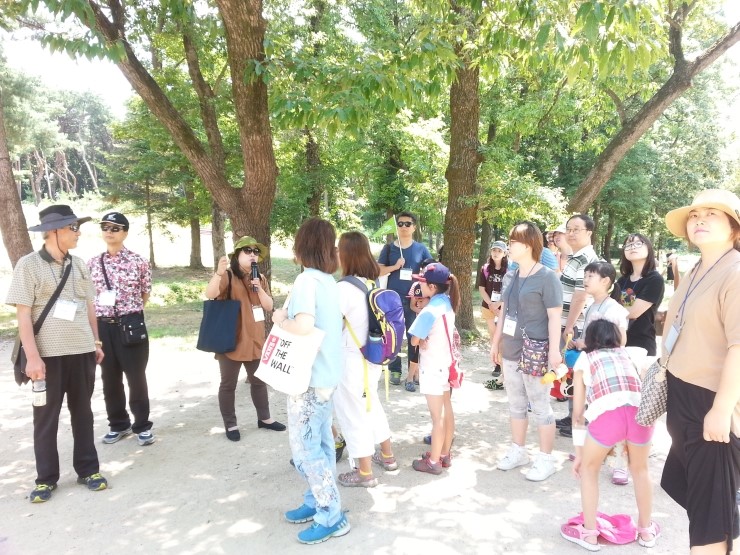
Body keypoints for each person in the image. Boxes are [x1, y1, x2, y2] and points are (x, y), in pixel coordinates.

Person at [6, 205, 108, 503]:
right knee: (45, 419)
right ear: (53, 231)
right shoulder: (28, 265)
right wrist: (32, 357)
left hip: (82, 352)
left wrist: (96, 342)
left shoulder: (79, 264)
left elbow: (89, 305)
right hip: (47, 357)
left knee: (83, 414)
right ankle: (45, 479)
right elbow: (23, 314)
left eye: (78, 227)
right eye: (73, 227)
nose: (78, 233)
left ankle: (88, 470)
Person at [661, 189, 740, 554]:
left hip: (711, 403)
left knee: (710, 519)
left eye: (712, 214)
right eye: (694, 215)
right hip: (683, 397)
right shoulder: (697, 269)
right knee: (701, 504)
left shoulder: (735, 272)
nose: (700, 220)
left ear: (734, 228)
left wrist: (721, 410)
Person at [272, 218, 349, 545]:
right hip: (326, 376)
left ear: (302, 245)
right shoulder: (328, 281)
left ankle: (330, 515)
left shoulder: (306, 280)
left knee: (306, 451)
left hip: (308, 380)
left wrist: (280, 319)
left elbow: (303, 326)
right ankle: (317, 500)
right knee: (323, 445)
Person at [561, 319, 658, 551]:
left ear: (589, 339)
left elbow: (578, 415)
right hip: (640, 414)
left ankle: (589, 534)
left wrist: (579, 453)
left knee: (589, 469)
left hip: (608, 415)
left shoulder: (585, 359)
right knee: (641, 470)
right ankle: (646, 531)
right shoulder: (628, 354)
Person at [491, 221, 563, 482]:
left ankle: (546, 458)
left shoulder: (547, 277)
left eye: (514, 241)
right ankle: (518, 450)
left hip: (536, 350)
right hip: (511, 346)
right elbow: (503, 312)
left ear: (529, 244)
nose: (509, 246)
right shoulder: (510, 275)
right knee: (516, 402)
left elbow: (554, 317)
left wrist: (554, 352)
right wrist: (496, 342)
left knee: (540, 404)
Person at [204, 236, 285, 441]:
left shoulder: (260, 278)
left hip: (255, 339)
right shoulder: (228, 275)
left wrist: (259, 288)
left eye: (255, 251)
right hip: (231, 340)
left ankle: (265, 419)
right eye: (247, 251)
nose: (252, 255)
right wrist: (218, 273)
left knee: (259, 381)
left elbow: (268, 306)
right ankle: (231, 425)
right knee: (228, 384)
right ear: (237, 255)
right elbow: (210, 294)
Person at [333, 232, 398, 487]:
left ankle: (364, 472)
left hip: (351, 360)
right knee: (372, 404)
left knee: (353, 413)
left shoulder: (344, 289)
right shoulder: (372, 283)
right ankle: (387, 456)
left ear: (346, 254)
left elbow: (331, 325)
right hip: (372, 357)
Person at [87, 212, 155, 446]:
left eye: (115, 228)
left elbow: (145, 292)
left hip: (131, 324)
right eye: (105, 227)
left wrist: (129, 312)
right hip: (103, 326)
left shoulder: (138, 261)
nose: (109, 232)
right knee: (109, 379)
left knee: (136, 378)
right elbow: (89, 297)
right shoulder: (93, 263)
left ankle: (142, 426)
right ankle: (118, 424)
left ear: (125, 232)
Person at [407, 262, 461, 475]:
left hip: (432, 367)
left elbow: (414, 340)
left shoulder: (429, 310)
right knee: (447, 410)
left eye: (422, 282)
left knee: (436, 417)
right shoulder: (446, 302)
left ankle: (434, 461)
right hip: (445, 364)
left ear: (431, 287)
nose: (419, 286)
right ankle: (444, 453)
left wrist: (420, 340)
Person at [557, 214, 600, 438]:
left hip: (577, 326)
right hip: (571, 324)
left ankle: (579, 420)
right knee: (571, 372)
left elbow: (580, 296)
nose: (571, 233)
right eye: (569, 229)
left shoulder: (586, 259)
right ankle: (571, 415)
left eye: (576, 229)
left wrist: (569, 326)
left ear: (589, 233)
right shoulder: (576, 257)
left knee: (579, 373)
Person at [377, 212, 432, 386]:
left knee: (414, 335)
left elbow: (431, 269)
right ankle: (395, 370)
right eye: (400, 224)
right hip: (392, 299)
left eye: (407, 224)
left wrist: (425, 294)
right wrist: (395, 266)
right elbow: (378, 271)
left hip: (414, 300)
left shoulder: (421, 249)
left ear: (414, 227)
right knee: (394, 336)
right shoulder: (389, 249)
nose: (403, 227)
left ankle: (413, 372)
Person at [616, 234, 665, 357]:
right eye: (628, 245)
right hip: (616, 342)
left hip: (641, 345)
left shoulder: (654, 279)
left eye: (638, 243)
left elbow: (633, 312)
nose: (633, 247)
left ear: (648, 248)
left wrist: (614, 309)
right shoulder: (623, 280)